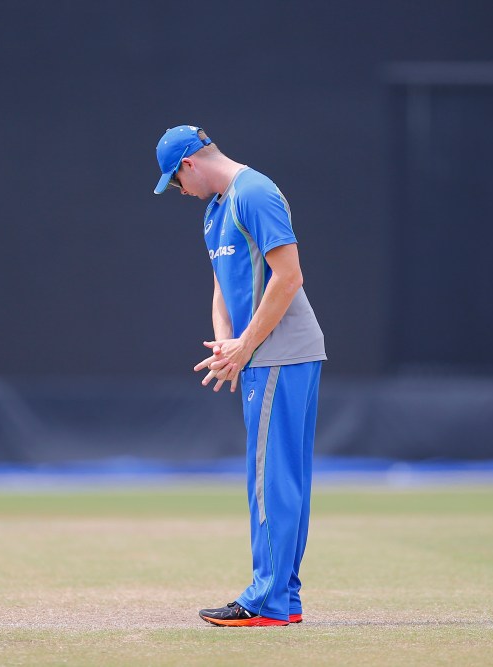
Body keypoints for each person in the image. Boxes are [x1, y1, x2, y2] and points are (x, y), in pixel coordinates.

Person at [153, 125, 327, 627]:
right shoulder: (215, 210)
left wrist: (245, 345)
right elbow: (222, 284)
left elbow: (289, 276)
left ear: (190, 164)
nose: (179, 193)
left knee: (270, 481)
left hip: (280, 354)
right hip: (264, 355)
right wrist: (226, 344)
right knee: (281, 478)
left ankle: (266, 600)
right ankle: (284, 599)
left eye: (175, 182)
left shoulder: (254, 192)